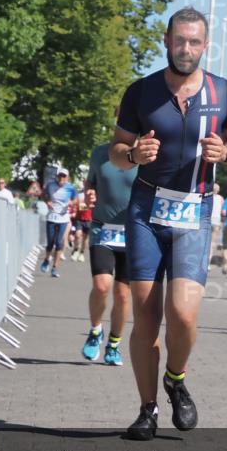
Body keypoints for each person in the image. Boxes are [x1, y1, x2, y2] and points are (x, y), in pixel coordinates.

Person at [110, 6, 227, 441]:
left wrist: (225, 153)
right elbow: (116, 149)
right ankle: (147, 409)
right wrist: (132, 156)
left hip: (195, 209)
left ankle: (176, 379)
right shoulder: (140, 92)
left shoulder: (224, 93)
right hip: (145, 211)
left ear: (205, 46)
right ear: (165, 41)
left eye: (194, 42)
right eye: (178, 40)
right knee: (146, 317)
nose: (185, 49)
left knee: (183, 314)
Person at [80, 143, 137, 365]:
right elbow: (90, 182)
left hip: (133, 232)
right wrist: (88, 194)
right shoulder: (101, 153)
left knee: (123, 295)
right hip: (103, 228)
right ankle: (95, 331)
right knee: (102, 286)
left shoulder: (147, 153)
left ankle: (113, 344)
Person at [40, 168, 77, 278]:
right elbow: (43, 195)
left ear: (67, 177)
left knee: (59, 243)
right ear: (57, 176)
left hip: (63, 219)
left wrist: (71, 202)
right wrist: (47, 201)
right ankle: (46, 259)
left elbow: (76, 200)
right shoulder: (50, 185)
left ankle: (55, 268)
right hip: (51, 217)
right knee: (50, 242)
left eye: (64, 176)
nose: (62, 178)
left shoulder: (70, 188)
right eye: (60, 176)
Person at [71, 184, 93, 262]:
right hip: (79, 219)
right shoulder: (80, 195)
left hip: (89, 219)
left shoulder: (94, 195)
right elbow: (77, 205)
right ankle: (76, 250)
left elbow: (93, 205)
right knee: (78, 235)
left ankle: (82, 253)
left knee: (85, 238)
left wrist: (85, 206)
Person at [209, 183, 224, 269]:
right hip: (216, 221)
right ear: (218, 190)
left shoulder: (208, 196)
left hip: (207, 220)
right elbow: (223, 211)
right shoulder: (221, 198)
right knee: (213, 242)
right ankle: (208, 261)